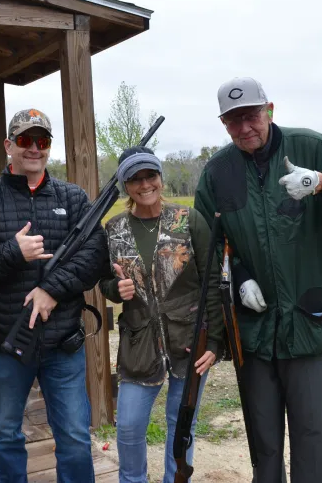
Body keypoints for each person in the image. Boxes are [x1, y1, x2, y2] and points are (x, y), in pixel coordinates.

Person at [194, 77, 322, 483]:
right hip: (254, 329)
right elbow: (209, 242)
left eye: (251, 116)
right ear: (223, 124)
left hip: (311, 319)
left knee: (311, 434)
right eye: (233, 121)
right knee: (263, 441)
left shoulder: (311, 146)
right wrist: (239, 274)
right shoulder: (218, 172)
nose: (245, 128)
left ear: (270, 110)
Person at [0, 108, 107, 483]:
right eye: (25, 140)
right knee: (7, 435)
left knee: (74, 437)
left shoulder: (72, 197)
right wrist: (12, 252)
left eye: (42, 140)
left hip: (62, 342)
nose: (34, 148)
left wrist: (52, 289)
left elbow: (94, 256)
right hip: (6, 341)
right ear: (9, 145)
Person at [99, 146, 222, 483]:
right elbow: (104, 281)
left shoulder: (189, 219)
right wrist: (115, 290)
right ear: (125, 185)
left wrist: (214, 341)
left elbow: (212, 281)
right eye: (135, 179)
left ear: (160, 178)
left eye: (150, 175)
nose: (145, 185)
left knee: (181, 425)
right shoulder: (114, 228)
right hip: (139, 341)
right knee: (128, 427)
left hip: (189, 339)